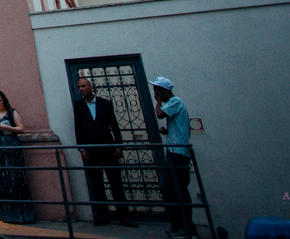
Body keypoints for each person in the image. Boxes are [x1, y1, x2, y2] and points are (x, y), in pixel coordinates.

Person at [73, 77, 137, 227]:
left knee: (116, 183)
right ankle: (103, 215)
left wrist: (118, 145)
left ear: (90, 86)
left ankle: (123, 216)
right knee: (97, 184)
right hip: (91, 150)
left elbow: (114, 125)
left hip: (108, 148)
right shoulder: (78, 106)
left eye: (83, 86)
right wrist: (81, 148)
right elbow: (78, 128)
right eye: (79, 87)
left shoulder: (105, 104)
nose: (81, 89)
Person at [151, 76, 197, 239]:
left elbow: (159, 114)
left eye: (157, 91)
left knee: (177, 191)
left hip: (178, 154)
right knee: (172, 191)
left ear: (163, 90)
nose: (155, 94)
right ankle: (178, 226)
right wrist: (167, 132)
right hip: (174, 152)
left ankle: (186, 228)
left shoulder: (175, 101)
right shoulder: (174, 104)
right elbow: (179, 127)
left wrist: (157, 102)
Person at [0, 89, 35, 224]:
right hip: (1, 150)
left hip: (13, 149)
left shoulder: (12, 113)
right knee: (5, 182)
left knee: (17, 180)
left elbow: (21, 129)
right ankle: (8, 214)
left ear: (4, 100)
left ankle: (23, 214)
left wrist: (8, 128)